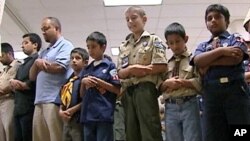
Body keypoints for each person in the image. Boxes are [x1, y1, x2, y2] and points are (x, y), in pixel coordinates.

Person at [190, 4, 250, 141]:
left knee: (240, 133)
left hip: (236, 93)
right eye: (209, 18)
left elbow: (235, 59)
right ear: (206, 24)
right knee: (213, 136)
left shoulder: (235, 38)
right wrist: (222, 51)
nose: (213, 20)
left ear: (227, 21)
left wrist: (208, 62)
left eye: (218, 17)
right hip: (211, 95)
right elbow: (198, 61)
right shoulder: (202, 46)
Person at [117, 6, 168, 141]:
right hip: (128, 91)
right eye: (127, 19)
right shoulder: (124, 46)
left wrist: (143, 70)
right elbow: (119, 73)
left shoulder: (153, 40)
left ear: (144, 19)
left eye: (134, 18)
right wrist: (130, 70)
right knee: (131, 132)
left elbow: (162, 65)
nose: (130, 22)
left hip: (146, 89)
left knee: (150, 130)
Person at [29, 17, 74, 141]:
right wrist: (37, 63)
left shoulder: (66, 45)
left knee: (56, 137)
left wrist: (43, 65)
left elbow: (60, 67)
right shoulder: (44, 51)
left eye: (46, 28)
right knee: (39, 137)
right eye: (42, 30)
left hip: (54, 100)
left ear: (57, 28)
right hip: (39, 101)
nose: (43, 32)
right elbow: (32, 76)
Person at [160, 22, 202, 141]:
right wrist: (167, 83)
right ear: (167, 44)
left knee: (192, 138)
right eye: (171, 43)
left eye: (178, 41)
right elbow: (159, 87)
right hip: (170, 106)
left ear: (185, 39)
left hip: (189, 104)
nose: (175, 46)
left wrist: (183, 83)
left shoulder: (194, 60)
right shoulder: (166, 64)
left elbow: (201, 85)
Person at [80, 31, 120, 141]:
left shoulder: (110, 66)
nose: (90, 50)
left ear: (103, 47)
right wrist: (83, 82)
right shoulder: (87, 69)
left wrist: (99, 82)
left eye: (93, 47)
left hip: (103, 114)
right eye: (88, 47)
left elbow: (117, 90)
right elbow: (82, 94)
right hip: (88, 114)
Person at [9, 33, 41, 141]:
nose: (22, 46)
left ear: (35, 45)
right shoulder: (23, 64)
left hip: (29, 107)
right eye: (22, 43)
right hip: (19, 106)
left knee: (27, 137)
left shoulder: (38, 60)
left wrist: (24, 85)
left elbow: (35, 82)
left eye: (26, 43)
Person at [58, 48, 89, 141]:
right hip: (67, 120)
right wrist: (60, 111)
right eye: (72, 58)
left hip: (79, 119)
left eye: (77, 58)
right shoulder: (67, 81)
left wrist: (72, 110)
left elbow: (88, 99)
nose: (74, 60)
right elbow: (61, 99)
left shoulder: (86, 79)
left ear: (85, 62)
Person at [0, 42, 21, 141]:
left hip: (10, 101)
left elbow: (11, 86)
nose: (0, 59)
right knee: (2, 131)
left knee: (9, 129)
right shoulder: (4, 70)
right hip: (1, 102)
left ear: (9, 54)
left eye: (2, 56)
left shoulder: (18, 66)